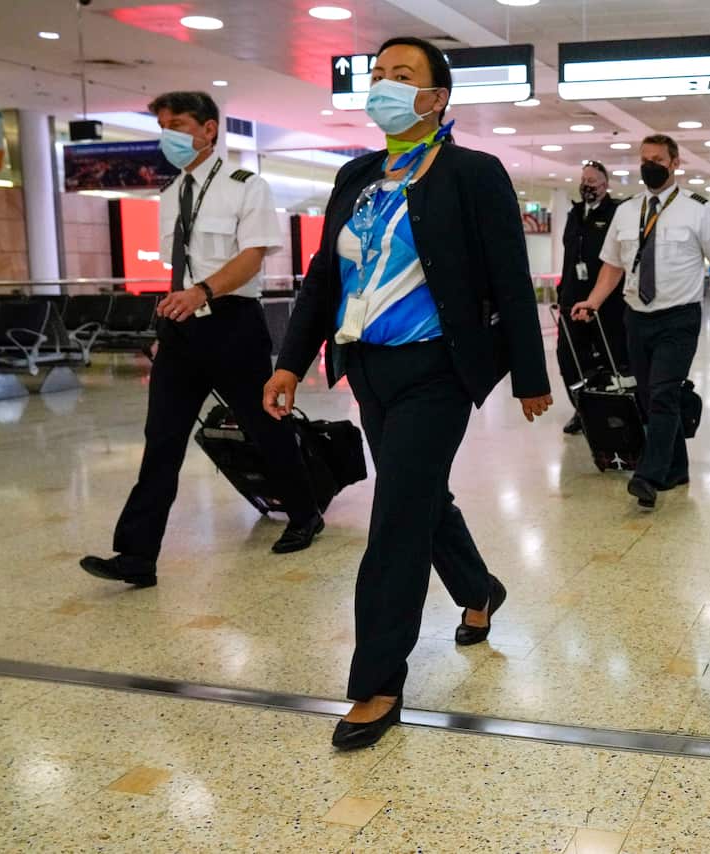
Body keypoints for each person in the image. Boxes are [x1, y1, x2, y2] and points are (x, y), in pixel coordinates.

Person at [262, 37, 552, 750]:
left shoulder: (474, 174)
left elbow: (510, 278)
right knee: (418, 495)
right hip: (367, 368)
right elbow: (324, 280)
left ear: (435, 97)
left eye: (402, 76)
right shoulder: (355, 176)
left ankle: (376, 683)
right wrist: (290, 361)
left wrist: (531, 375)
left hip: (438, 371)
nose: (385, 85)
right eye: (378, 75)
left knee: (395, 519)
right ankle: (479, 590)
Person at [80, 91, 323, 590]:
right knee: (161, 441)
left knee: (264, 426)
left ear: (209, 129)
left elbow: (254, 256)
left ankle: (305, 514)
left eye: (179, 123)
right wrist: (179, 304)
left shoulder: (245, 186)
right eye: (163, 124)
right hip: (181, 328)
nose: (169, 132)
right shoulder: (170, 193)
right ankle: (136, 556)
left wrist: (203, 291)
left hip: (232, 323)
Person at [571, 134, 710, 510]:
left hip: (679, 318)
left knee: (663, 392)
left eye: (658, 159)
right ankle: (677, 468)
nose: (650, 165)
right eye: (644, 158)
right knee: (649, 397)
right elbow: (613, 267)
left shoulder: (698, 210)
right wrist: (593, 302)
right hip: (637, 318)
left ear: (675, 163)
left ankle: (647, 476)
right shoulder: (627, 210)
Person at [557, 160, 625, 435]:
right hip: (572, 301)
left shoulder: (616, 213)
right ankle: (581, 410)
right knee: (569, 358)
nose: (587, 186)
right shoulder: (574, 214)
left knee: (610, 359)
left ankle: (612, 410)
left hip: (607, 302)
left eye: (593, 182)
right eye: (584, 180)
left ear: (605, 185)